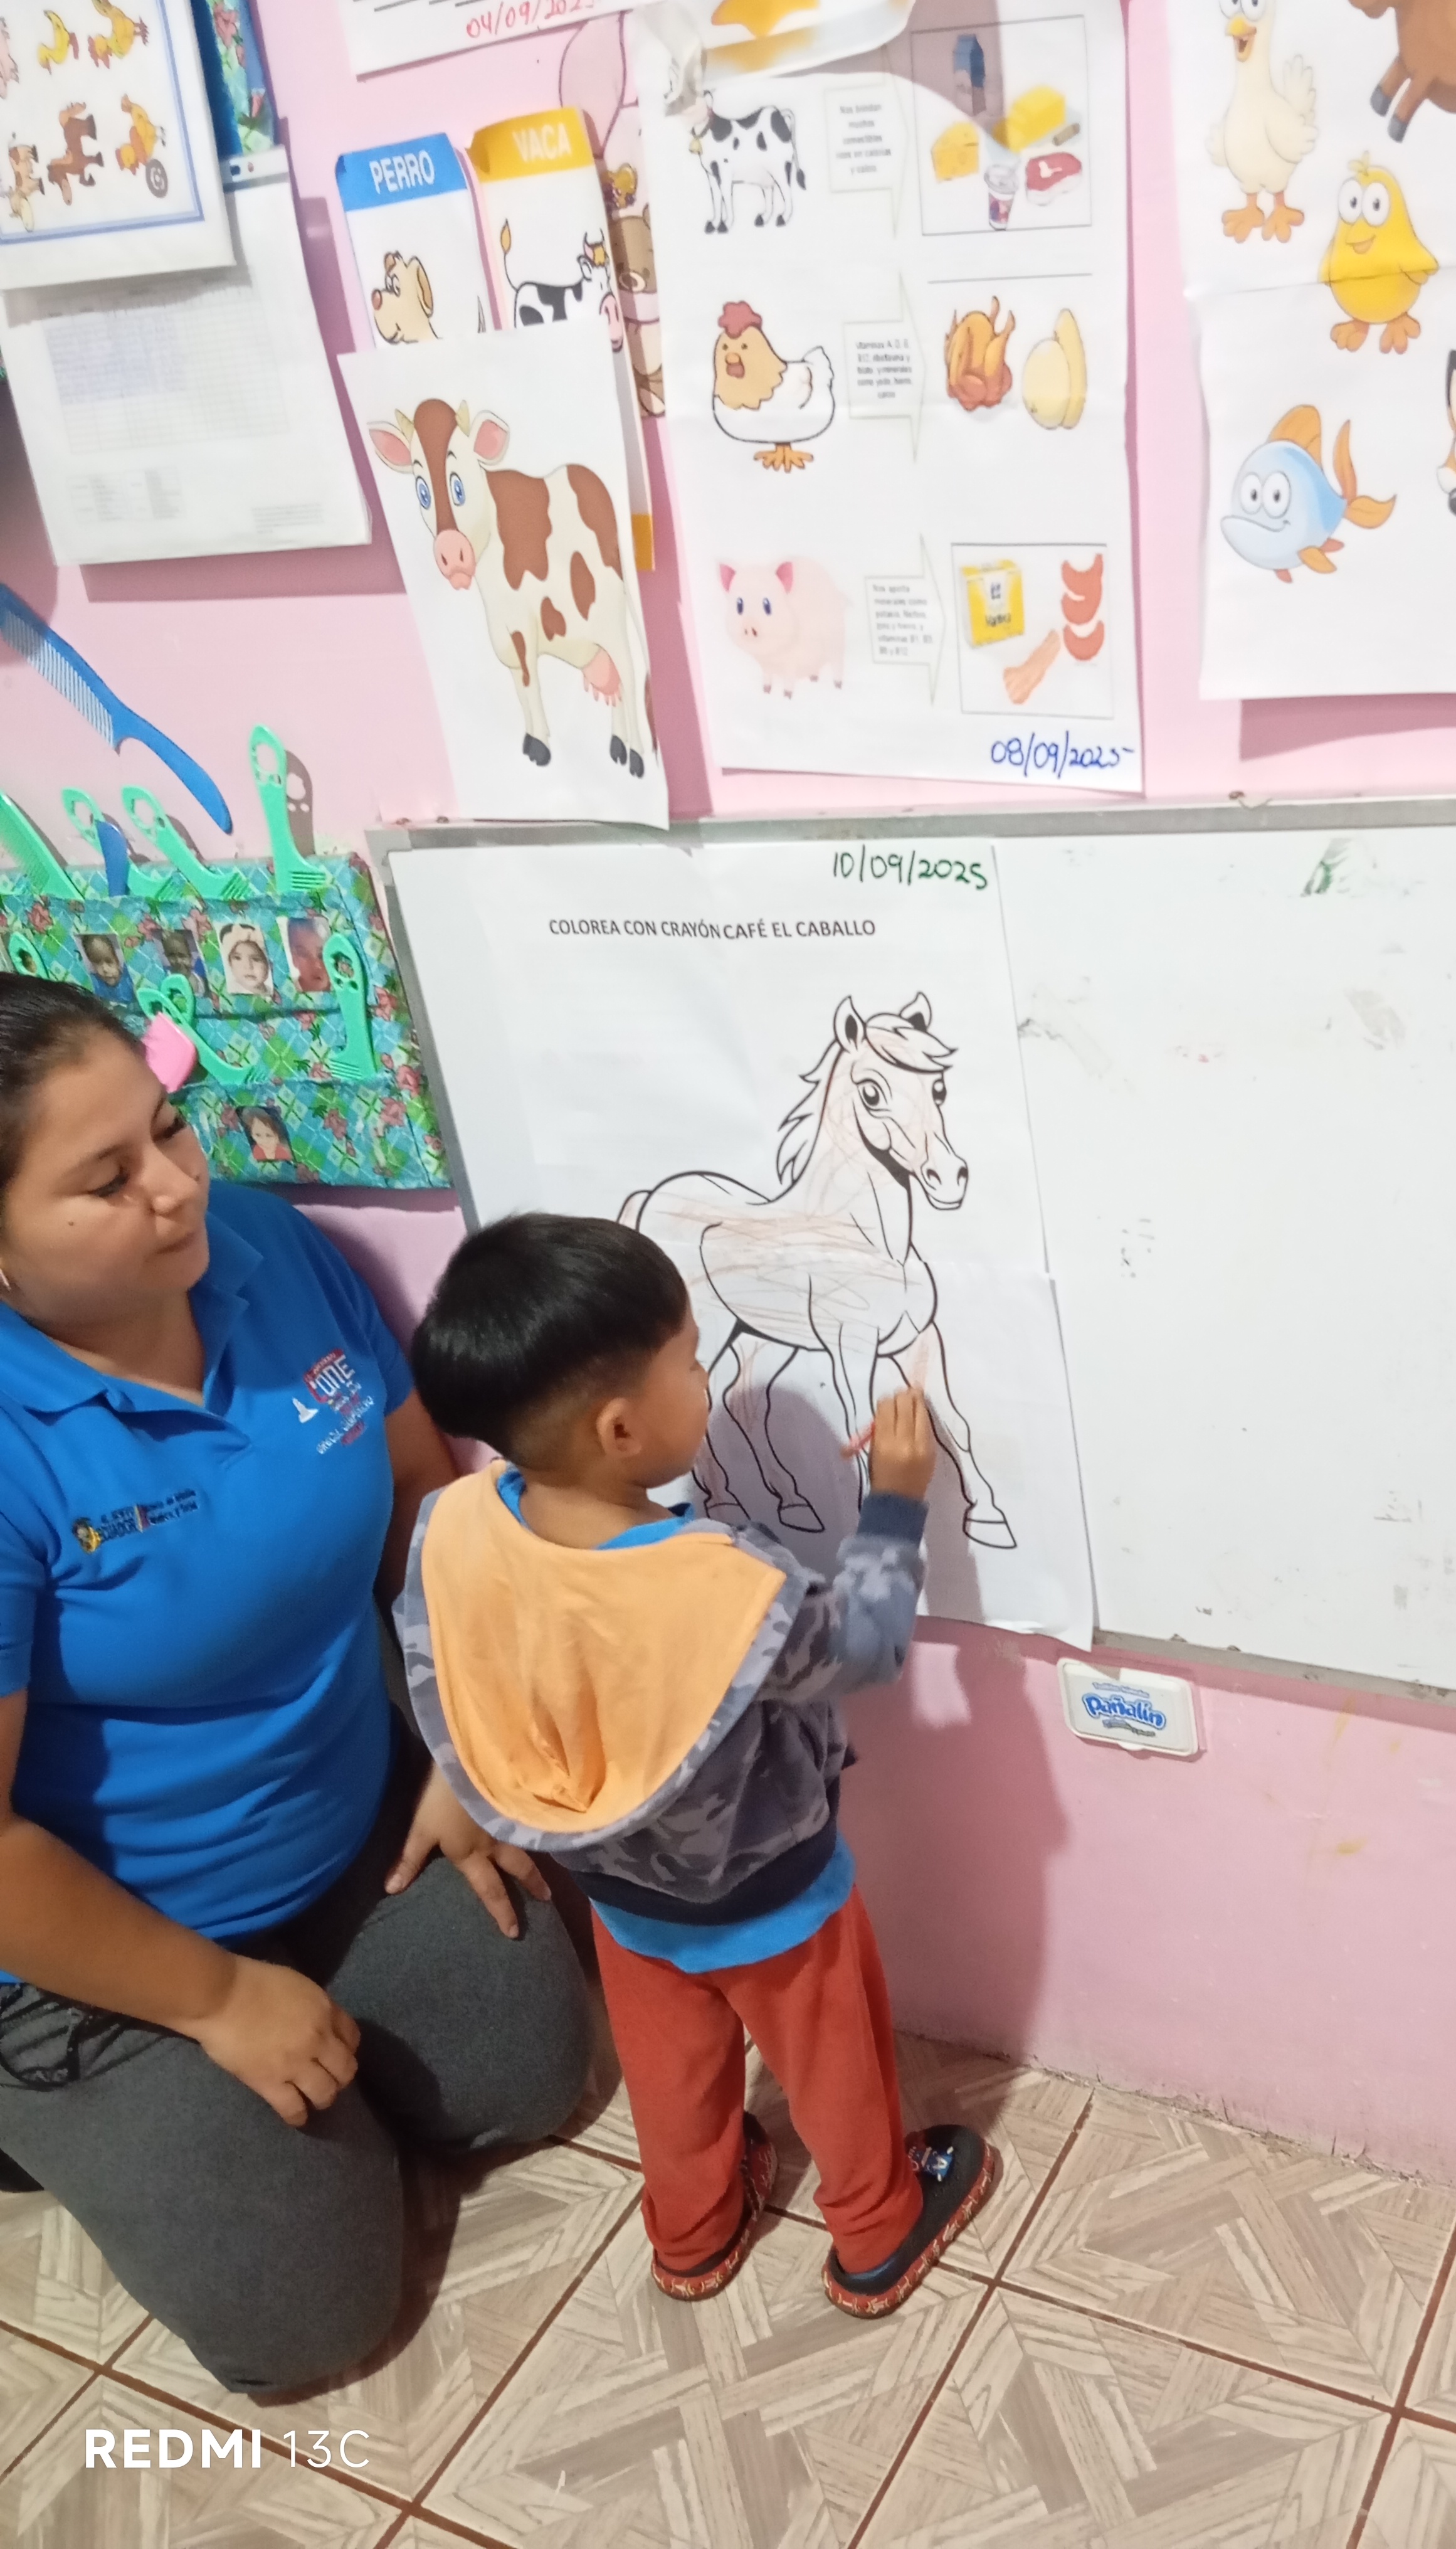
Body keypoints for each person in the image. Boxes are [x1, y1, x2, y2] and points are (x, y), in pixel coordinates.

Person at [0, 977, 590, 2395]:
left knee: (532, 2073)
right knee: (308, 2320)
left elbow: (419, 1507)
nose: (177, 1184)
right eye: (106, 1179)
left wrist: (457, 1738)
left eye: (168, 1127)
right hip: (100, 1943)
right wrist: (213, 1998)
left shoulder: (268, 1248)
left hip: (342, 1819)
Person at [402, 1212, 998, 2315]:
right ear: (621, 1428)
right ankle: (878, 2227)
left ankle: (693, 2232)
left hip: (622, 1896)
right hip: (774, 1898)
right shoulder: (723, 1587)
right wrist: (897, 1499)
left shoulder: (461, 1525)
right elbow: (864, 1645)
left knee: (670, 2074)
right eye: (690, 1360)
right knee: (833, 2061)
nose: (710, 1376)